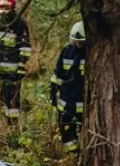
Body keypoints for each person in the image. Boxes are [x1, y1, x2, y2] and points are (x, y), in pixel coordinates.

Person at [50, 21, 86, 153]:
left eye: (81, 41)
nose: (78, 44)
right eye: (76, 41)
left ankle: (81, 153)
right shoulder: (66, 51)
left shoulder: (90, 54)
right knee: (65, 131)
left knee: (83, 130)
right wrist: (53, 91)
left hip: (81, 102)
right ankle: (73, 154)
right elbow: (58, 73)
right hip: (65, 101)